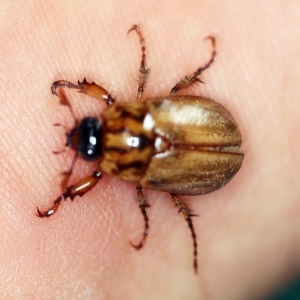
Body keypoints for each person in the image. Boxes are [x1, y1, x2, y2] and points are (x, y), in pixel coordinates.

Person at [1, 1, 300, 299]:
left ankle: (181, 224)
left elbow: (101, 159)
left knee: (171, 184)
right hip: (210, 143)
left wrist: (65, 195)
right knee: (174, 94)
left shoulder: (121, 168)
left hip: (212, 135)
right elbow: (109, 97)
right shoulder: (126, 114)